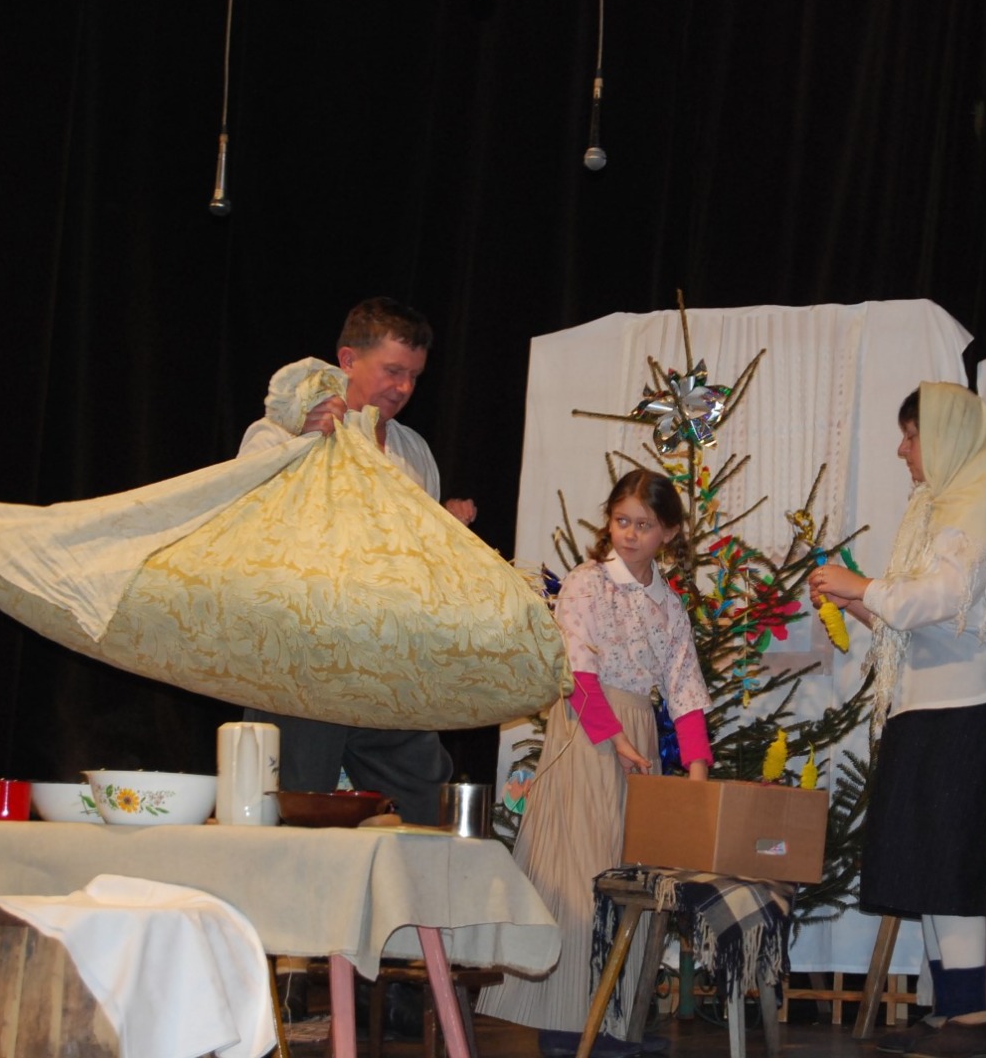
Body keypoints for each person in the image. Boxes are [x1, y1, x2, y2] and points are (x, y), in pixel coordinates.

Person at [809, 382, 986, 1058]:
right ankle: (952, 1010)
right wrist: (859, 603)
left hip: (971, 701)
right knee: (927, 852)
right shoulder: (939, 506)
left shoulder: (980, 502)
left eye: (912, 434)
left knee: (945, 847)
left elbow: (943, 596)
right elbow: (912, 618)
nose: (903, 449)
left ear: (944, 434)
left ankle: (973, 1015)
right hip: (932, 701)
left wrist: (862, 587)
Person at [477, 470, 713, 1058]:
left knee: (628, 878)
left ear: (669, 533)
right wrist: (616, 741)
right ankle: (564, 1026)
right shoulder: (588, 582)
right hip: (588, 732)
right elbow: (577, 671)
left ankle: (613, 1022)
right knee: (580, 876)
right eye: (621, 520)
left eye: (644, 525)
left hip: (636, 738)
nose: (629, 534)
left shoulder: (668, 605)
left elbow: (685, 691)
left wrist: (696, 774)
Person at [237, 297, 474, 826]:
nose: (404, 388)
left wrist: (445, 541)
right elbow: (246, 524)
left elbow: (413, 562)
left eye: (414, 376)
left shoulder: (413, 451)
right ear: (347, 360)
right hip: (303, 657)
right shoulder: (280, 431)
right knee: (300, 810)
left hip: (387, 662)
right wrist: (303, 442)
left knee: (423, 798)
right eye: (392, 371)